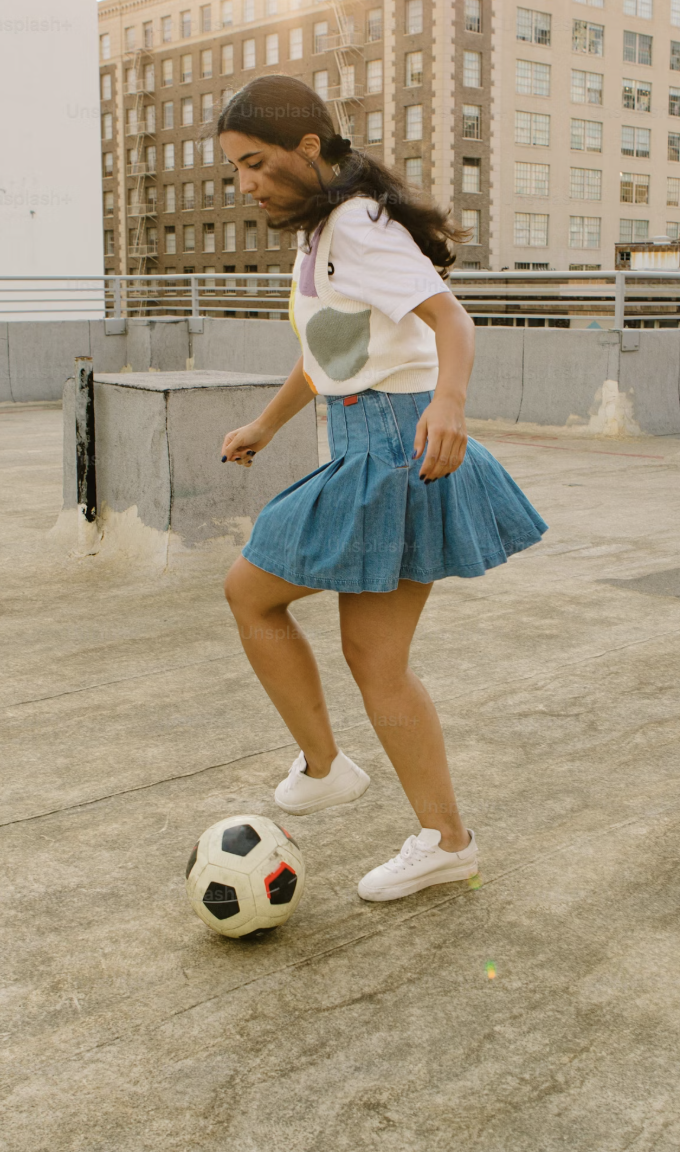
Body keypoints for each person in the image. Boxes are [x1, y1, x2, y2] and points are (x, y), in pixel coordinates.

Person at [216, 76, 548, 902]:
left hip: (400, 449)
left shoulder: (357, 226)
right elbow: (326, 351)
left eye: (255, 164)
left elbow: (451, 320)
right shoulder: (320, 232)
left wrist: (451, 400)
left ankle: (338, 774)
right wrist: (266, 424)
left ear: (308, 149)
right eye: (235, 172)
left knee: (255, 594)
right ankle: (441, 836)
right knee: (374, 658)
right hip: (371, 443)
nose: (247, 184)